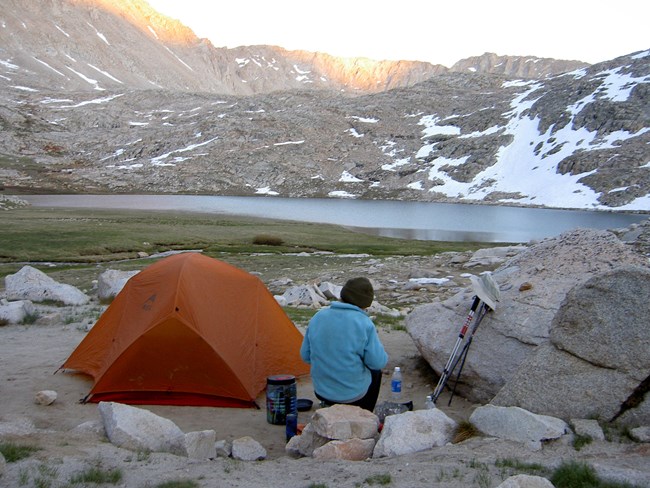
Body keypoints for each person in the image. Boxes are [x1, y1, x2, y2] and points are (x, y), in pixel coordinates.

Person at [300, 277, 388, 412]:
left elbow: (305, 356)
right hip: (354, 396)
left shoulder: (318, 317)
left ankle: (329, 405)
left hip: (321, 391)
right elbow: (377, 362)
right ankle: (365, 414)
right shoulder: (364, 323)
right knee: (375, 373)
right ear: (366, 302)